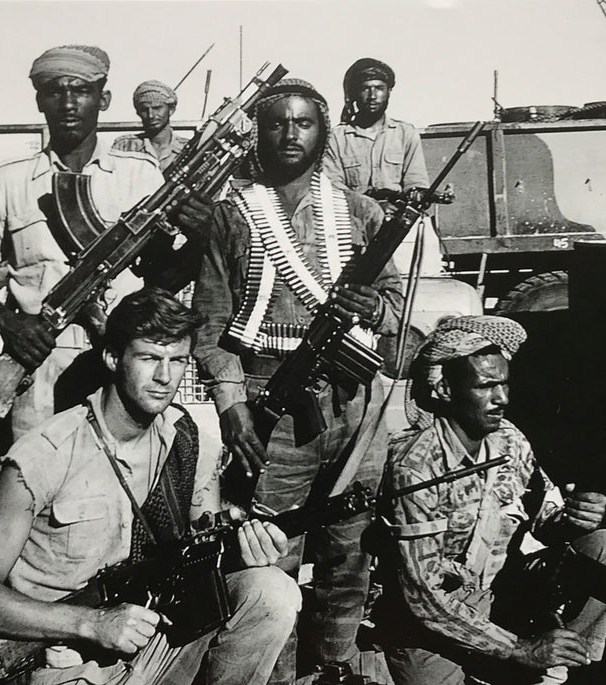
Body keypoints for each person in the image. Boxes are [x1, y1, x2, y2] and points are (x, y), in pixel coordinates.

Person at [0, 287, 299, 685]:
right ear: (114, 358)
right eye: (149, 358)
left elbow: (203, 543)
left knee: (270, 590)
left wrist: (246, 546)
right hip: (70, 662)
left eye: (177, 360)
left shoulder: (185, 437)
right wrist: (92, 623)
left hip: (154, 638)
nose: (165, 377)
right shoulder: (44, 456)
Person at [191, 78, 404, 684]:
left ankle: (332, 668)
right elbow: (210, 322)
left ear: (323, 132)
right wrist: (233, 407)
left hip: (352, 400)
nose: (290, 134)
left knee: (349, 546)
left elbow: (394, 304)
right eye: (277, 123)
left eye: (303, 122)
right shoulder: (234, 215)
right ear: (259, 133)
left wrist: (372, 307)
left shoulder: (358, 212)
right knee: (272, 551)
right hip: (271, 403)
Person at [0, 45, 210, 437]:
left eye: (82, 91)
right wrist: (9, 325)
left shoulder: (139, 176)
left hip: (122, 358)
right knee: (38, 479)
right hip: (39, 357)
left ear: (103, 100)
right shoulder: (8, 182)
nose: (68, 103)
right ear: (40, 100)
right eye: (55, 91)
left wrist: (200, 240)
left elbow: (162, 277)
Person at [379, 315, 606, 685]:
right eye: (486, 386)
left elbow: (545, 521)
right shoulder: (415, 466)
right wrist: (517, 648)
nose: (503, 398)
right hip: (431, 624)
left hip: (500, 595)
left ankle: (561, 658)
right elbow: (423, 598)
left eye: (505, 384)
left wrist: (575, 518)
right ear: (444, 389)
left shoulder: (510, 440)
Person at [323, 58, 429, 210]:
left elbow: (416, 181)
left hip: (398, 220)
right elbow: (334, 188)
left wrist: (416, 194)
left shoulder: (405, 133)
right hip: (354, 219)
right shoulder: (337, 138)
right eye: (365, 88)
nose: (372, 95)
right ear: (355, 93)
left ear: (389, 92)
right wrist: (372, 207)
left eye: (379, 88)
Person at [112, 80, 189, 172]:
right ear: (138, 112)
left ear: (171, 110)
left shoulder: (187, 148)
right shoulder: (125, 146)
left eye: (157, 108)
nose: (151, 115)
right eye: (144, 110)